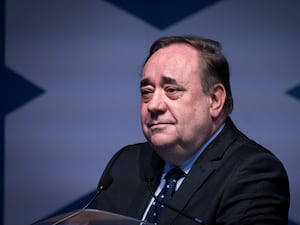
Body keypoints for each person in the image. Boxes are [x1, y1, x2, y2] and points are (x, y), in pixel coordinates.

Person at [96, 35, 290, 225]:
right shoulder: (125, 164)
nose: (153, 105)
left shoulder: (253, 173)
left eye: (171, 90)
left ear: (215, 99)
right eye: (147, 92)